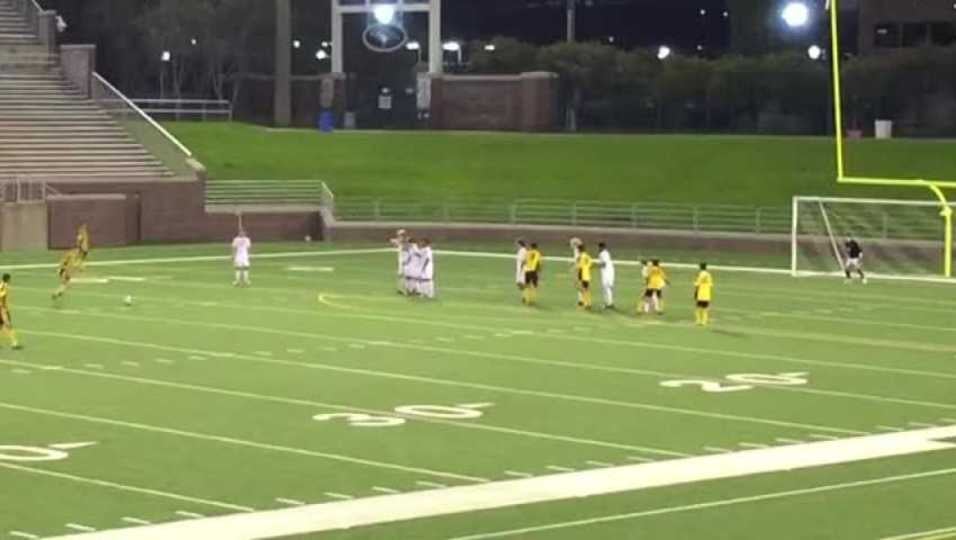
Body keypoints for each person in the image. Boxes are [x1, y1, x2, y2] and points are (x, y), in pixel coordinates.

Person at [0, 274, 21, 350]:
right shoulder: (3, 286)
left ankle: (14, 342)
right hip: (2, 310)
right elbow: (1, 296)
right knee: (9, 326)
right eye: (10, 279)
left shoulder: (2, 285)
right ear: (8, 279)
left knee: (1, 326)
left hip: (3, 309)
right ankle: (14, 343)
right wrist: (3, 310)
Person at [597, 242, 615, 309]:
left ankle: (607, 303)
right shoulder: (606, 253)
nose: (598, 249)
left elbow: (604, 264)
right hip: (609, 272)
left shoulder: (603, 254)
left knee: (605, 288)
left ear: (602, 247)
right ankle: (610, 303)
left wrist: (594, 266)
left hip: (606, 273)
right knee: (608, 288)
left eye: (599, 247)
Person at [390, 229, 409, 294]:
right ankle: (400, 289)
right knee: (400, 274)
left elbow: (405, 247)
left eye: (400, 235)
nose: (399, 237)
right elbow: (396, 245)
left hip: (406, 260)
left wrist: (396, 242)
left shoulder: (406, 242)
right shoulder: (401, 242)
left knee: (406, 275)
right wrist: (395, 242)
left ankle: (406, 289)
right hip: (401, 260)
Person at [576, 243, 594, 310]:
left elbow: (580, 266)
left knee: (583, 290)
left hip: (583, 274)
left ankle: (585, 304)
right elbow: (591, 264)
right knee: (587, 289)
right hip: (587, 274)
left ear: (580, 249)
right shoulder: (587, 256)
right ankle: (589, 303)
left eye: (578, 249)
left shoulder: (581, 256)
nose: (578, 251)